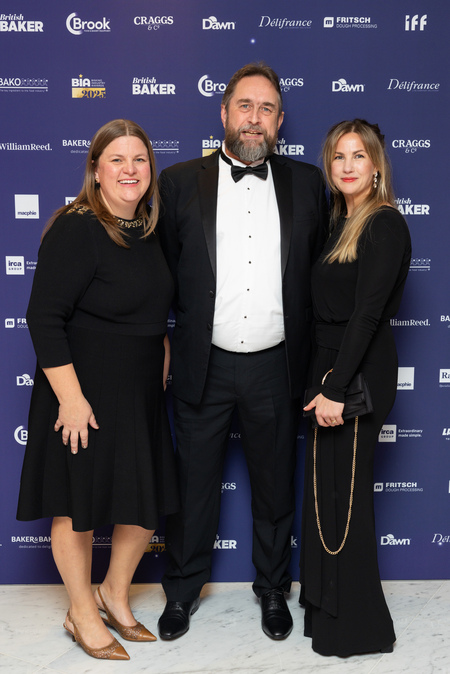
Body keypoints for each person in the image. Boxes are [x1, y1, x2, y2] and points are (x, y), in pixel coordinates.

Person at [157, 62, 328, 641]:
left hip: (278, 366)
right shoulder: (179, 182)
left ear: (279, 121)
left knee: (276, 487)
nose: (255, 119)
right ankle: (182, 591)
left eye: (267, 109)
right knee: (192, 485)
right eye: (246, 106)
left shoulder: (308, 184)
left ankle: (273, 589)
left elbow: (320, 275)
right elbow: (164, 273)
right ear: (224, 112)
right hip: (203, 362)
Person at [17, 119, 179, 660]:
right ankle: (82, 612)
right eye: (117, 159)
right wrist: (71, 398)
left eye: (139, 159)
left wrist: (161, 352)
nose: (130, 170)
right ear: (95, 169)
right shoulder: (77, 227)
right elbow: (43, 317)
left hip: (139, 390)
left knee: (144, 504)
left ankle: (114, 593)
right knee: (77, 506)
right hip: (82, 389)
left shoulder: (150, 229)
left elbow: (151, 306)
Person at [300, 119, 411, 656]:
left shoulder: (383, 224)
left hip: (356, 373)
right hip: (329, 366)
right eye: (338, 156)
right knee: (327, 496)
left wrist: (337, 389)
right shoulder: (337, 221)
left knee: (344, 501)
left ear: (376, 166)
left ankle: (358, 628)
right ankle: (328, 610)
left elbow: (366, 315)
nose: (347, 166)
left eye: (358, 156)